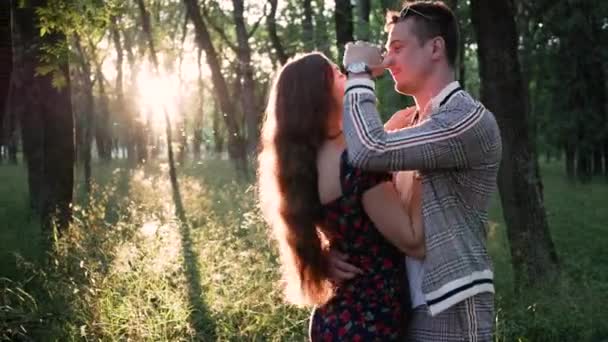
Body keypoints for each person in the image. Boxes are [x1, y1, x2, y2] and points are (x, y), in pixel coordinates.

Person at [335, 1, 503, 341]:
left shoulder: (466, 120)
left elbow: (369, 149)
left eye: (398, 48)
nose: (389, 59)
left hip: (451, 305)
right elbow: (365, 193)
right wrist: (326, 254)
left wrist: (357, 70)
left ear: (436, 48)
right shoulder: (404, 123)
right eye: (387, 50)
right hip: (397, 304)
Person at [257, 52, 425, 340]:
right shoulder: (355, 163)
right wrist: (425, 162)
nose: (346, 76)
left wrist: (386, 134)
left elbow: (348, 212)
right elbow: (413, 242)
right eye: (337, 73)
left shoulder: (304, 164)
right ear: (319, 94)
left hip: (335, 320)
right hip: (369, 323)